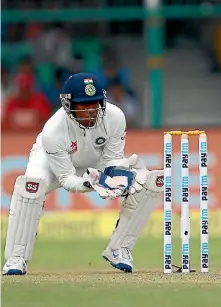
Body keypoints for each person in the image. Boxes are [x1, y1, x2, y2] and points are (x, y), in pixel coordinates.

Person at [3, 72, 163, 275]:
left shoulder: (115, 117)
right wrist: (89, 183)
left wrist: (118, 176)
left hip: (94, 160)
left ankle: (120, 249)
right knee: (30, 188)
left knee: (144, 182)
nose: (90, 111)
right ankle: (17, 257)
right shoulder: (53, 131)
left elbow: (111, 158)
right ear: (68, 105)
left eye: (94, 104)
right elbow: (67, 180)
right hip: (51, 164)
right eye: (83, 105)